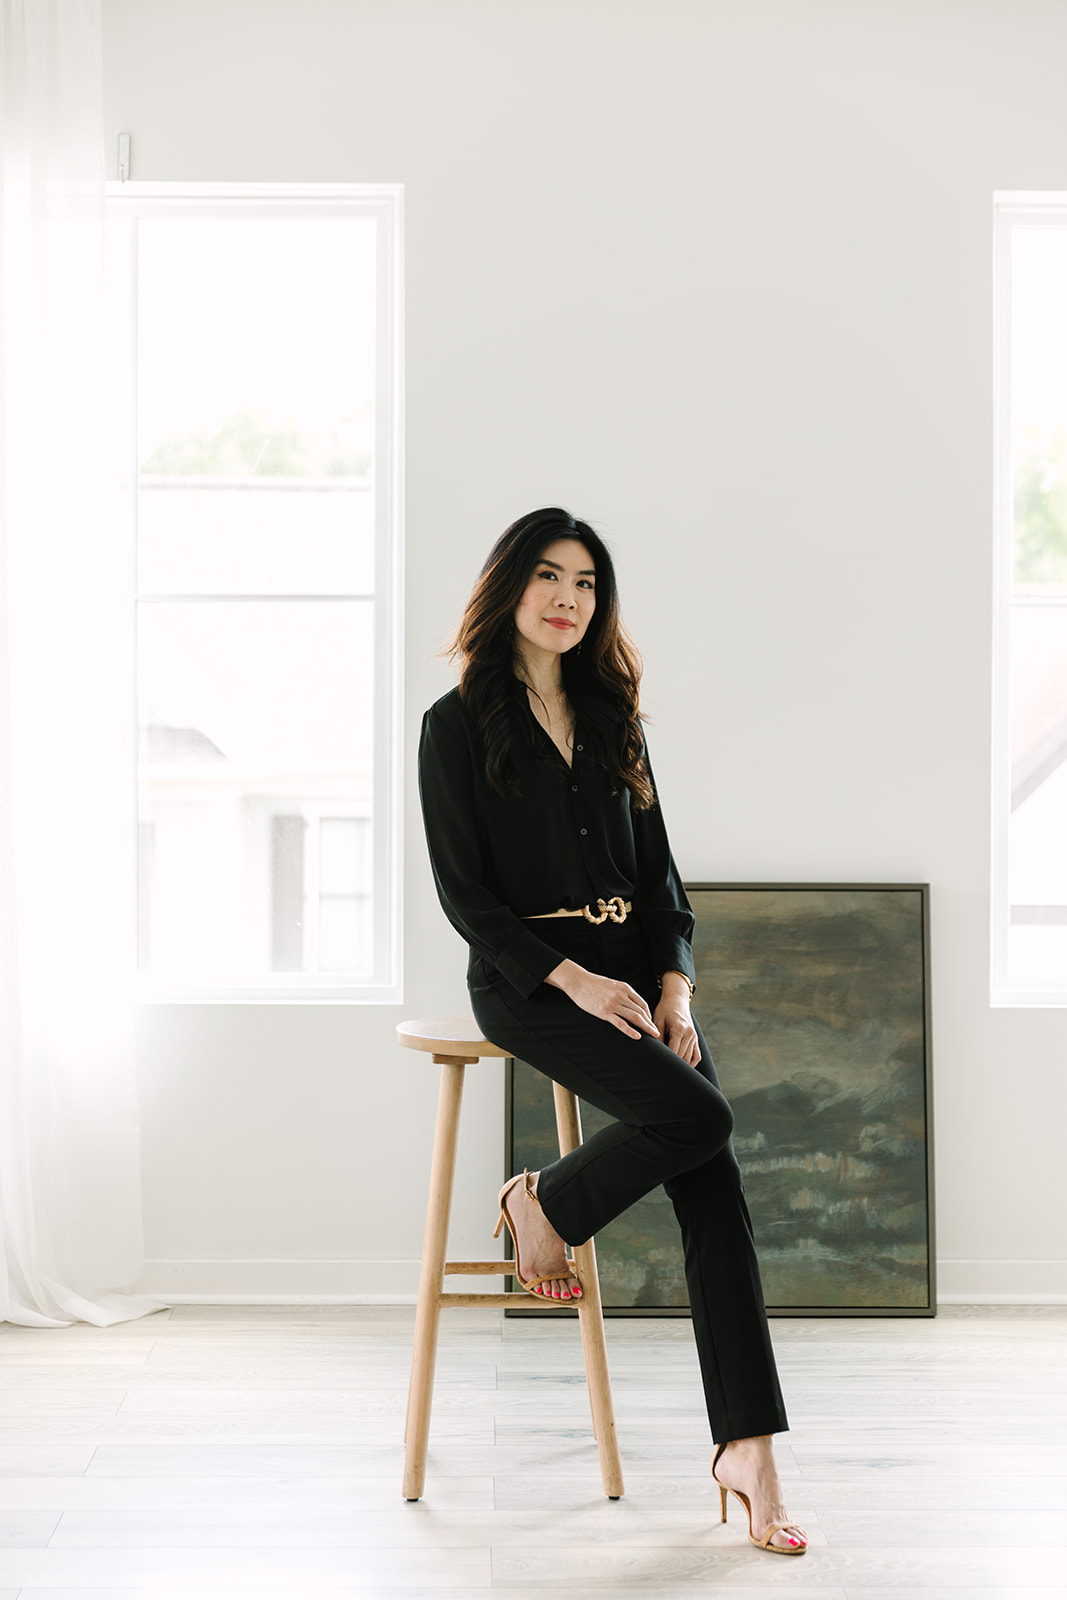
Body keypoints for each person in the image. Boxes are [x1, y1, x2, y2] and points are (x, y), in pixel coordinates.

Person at [417, 507, 806, 1556]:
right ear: (508, 587)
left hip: (638, 978)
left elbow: (660, 876)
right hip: (532, 980)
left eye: (586, 583)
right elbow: (466, 900)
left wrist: (673, 988)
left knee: (710, 1170)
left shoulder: (615, 713)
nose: (567, 598)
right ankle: (545, 1199)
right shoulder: (452, 726)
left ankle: (747, 1447)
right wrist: (577, 982)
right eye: (547, 576)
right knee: (701, 1119)